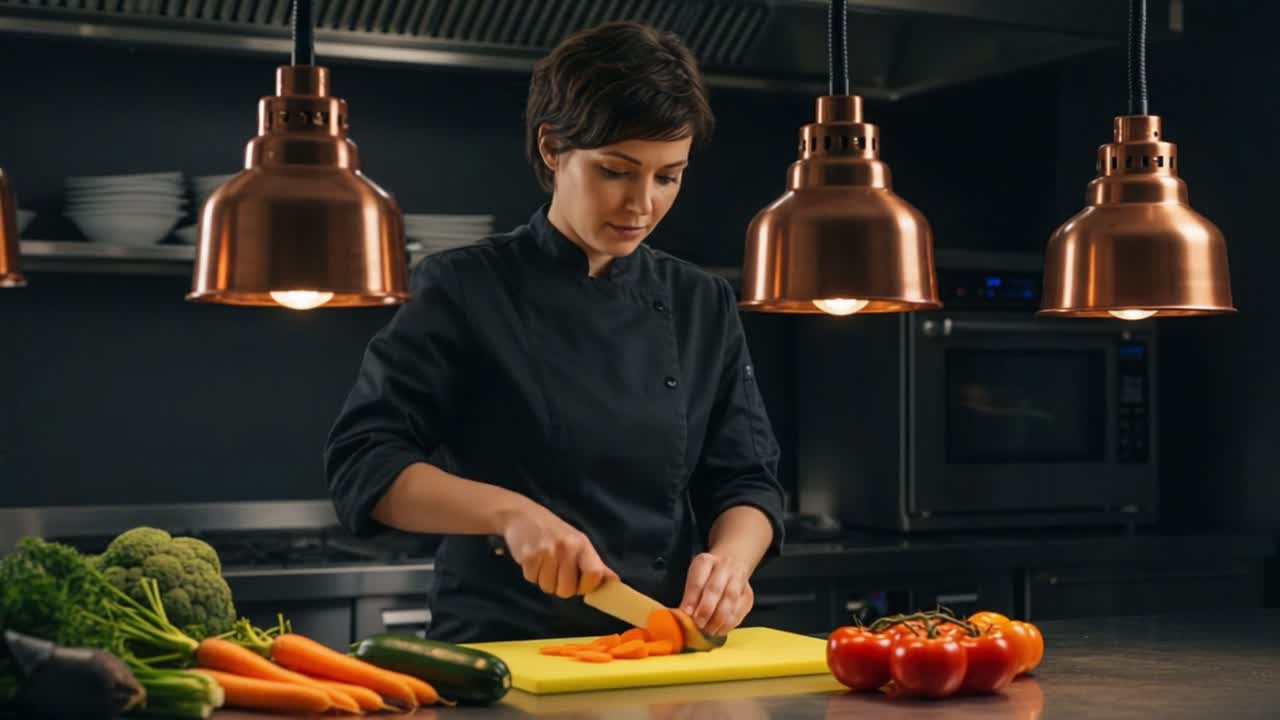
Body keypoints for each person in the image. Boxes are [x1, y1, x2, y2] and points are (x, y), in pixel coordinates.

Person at [324, 20, 785, 643]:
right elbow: (365, 463)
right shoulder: (464, 287)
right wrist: (509, 514)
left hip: (656, 645)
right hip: (502, 650)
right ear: (552, 148)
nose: (641, 204)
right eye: (615, 171)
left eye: (667, 176)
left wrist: (731, 563)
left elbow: (748, 480)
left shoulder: (700, 301)